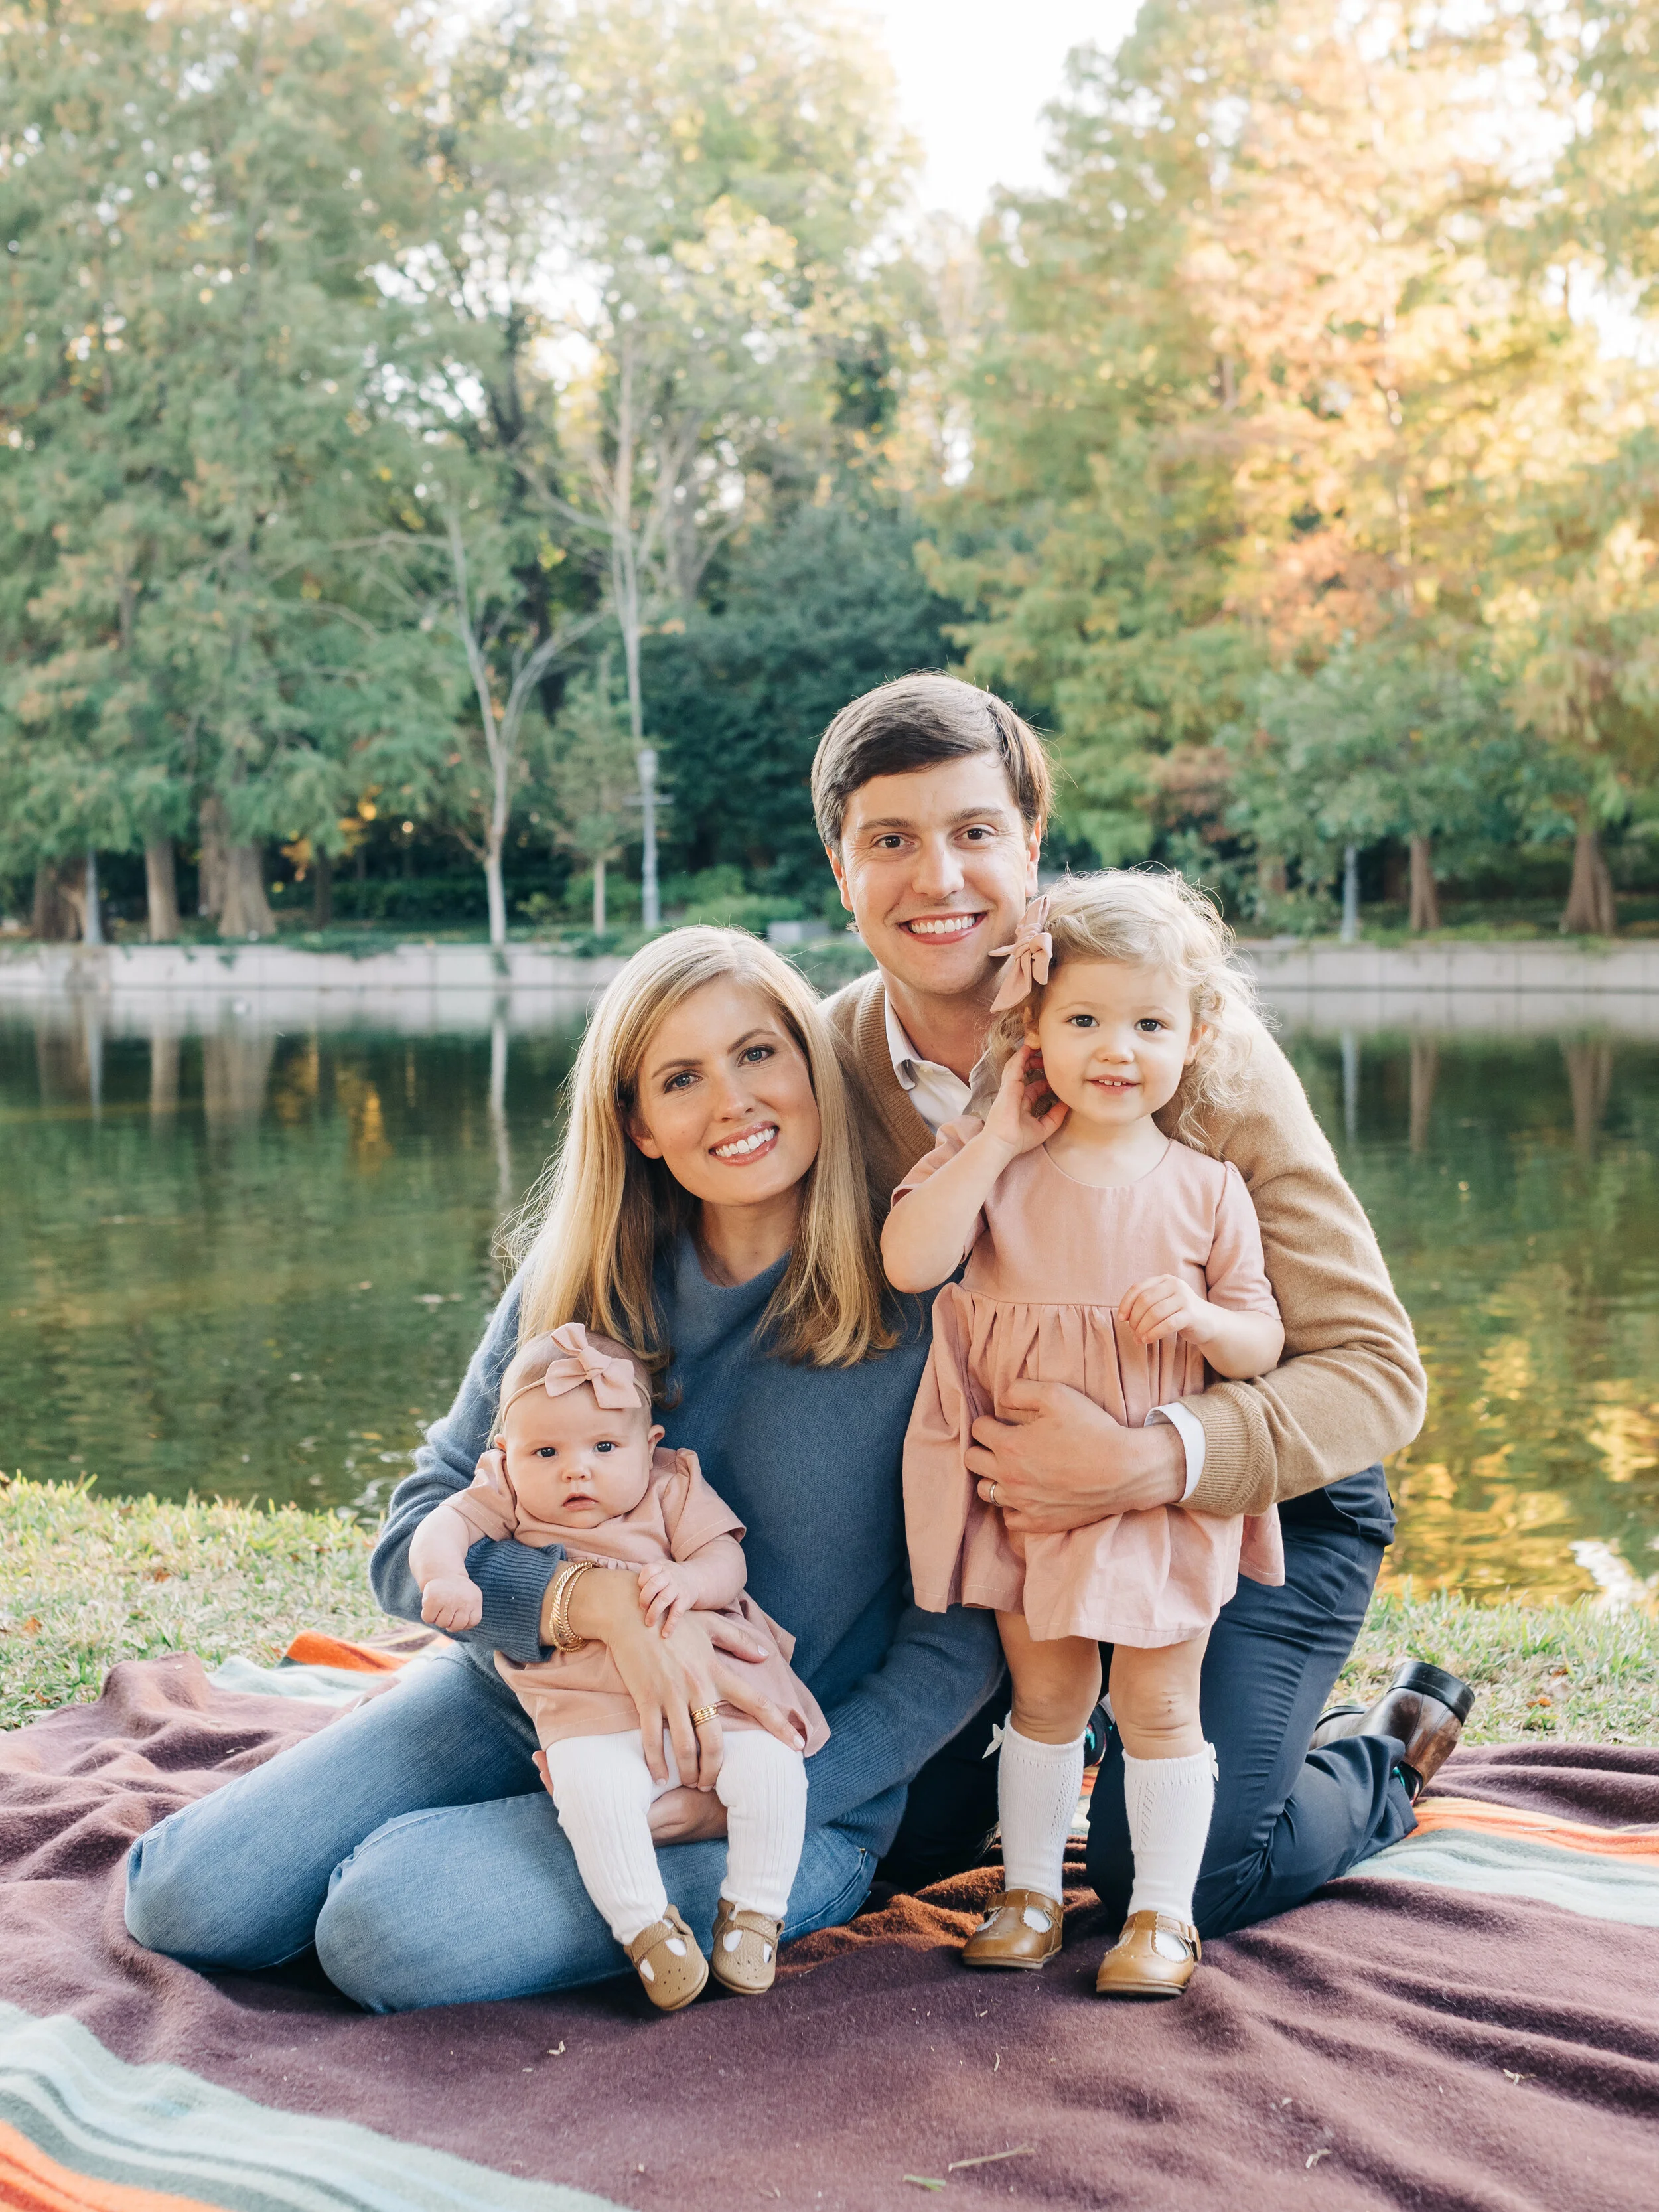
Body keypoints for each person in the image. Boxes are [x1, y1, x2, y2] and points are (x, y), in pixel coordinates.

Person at [124, 930, 1002, 2010]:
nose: (733, 1100)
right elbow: (415, 1536)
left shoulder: (924, 1300)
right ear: (638, 1121)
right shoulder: (583, 1278)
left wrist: (774, 1792)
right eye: (682, 1077)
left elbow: (962, 1638)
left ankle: (466, 1862)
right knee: (186, 1898)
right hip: (527, 1700)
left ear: (814, 1066)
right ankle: (440, 1824)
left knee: (384, 1926)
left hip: (760, 1774)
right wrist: (587, 1602)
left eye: (759, 1053)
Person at [815, 672, 1471, 1934]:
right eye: (889, 840)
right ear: (841, 868)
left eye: (974, 832)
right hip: (1013, 1519)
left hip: (1250, 1499)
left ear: (1030, 848)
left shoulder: (1176, 1046)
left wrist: (1150, 1460)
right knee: (914, 1831)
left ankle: (1384, 1747)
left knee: (1177, 1875)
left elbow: (1379, 1373)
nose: (938, 878)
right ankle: (1087, 1722)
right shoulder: (833, 1059)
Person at [885, 875, 1287, 1997]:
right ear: (1034, 1031)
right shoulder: (998, 1161)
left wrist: (1204, 1320)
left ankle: (1161, 1913)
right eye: (1084, 1019)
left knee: (1159, 1701)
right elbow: (911, 1259)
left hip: (1159, 1490)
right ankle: (1026, 1889)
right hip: (1025, 1483)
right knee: (1046, 1694)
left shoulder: (1209, 1189)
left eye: (1150, 1024)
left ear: (1196, 1035)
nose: (1118, 1048)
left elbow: (1261, 1338)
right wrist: (997, 1133)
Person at [409, 1321, 828, 2008]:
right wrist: (448, 1576)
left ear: (648, 1444)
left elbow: (726, 1559)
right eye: (546, 1451)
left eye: (604, 1446)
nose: (577, 1468)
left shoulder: (671, 1486)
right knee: (592, 1799)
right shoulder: (505, 1492)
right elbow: (439, 1526)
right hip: (589, 1712)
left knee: (773, 1768)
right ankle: (646, 1931)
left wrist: (693, 1584)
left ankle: (754, 1912)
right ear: (506, 1454)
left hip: (712, 1700)